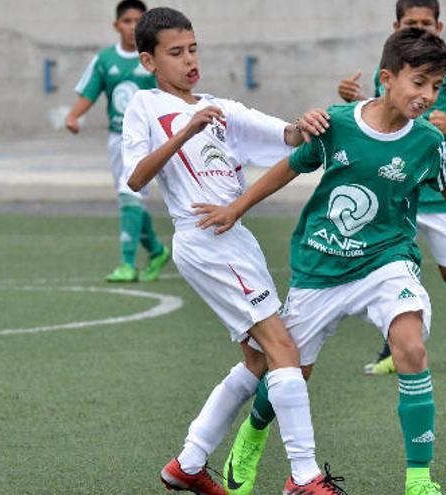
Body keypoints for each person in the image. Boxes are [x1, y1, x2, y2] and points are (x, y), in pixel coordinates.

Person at [197, 27, 446, 495]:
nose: (428, 95)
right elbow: (289, 166)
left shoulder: (426, 141)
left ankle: (419, 478)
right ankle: (253, 433)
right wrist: (237, 208)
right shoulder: (336, 123)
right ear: (387, 78)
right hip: (321, 268)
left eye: (437, 87)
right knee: (289, 373)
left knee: (411, 347)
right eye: (419, 82)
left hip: (388, 260)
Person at [122, 8, 346, 494]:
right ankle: (305, 478)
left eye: (194, 49)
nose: (189, 60)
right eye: (176, 53)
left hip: (234, 239)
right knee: (283, 348)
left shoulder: (221, 108)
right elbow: (136, 178)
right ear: (149, 61)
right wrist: (185, 131)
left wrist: (309, 119)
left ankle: (189, 462)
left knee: (261, 359)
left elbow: (289, 136)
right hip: (204, 237)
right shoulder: (145, 106)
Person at [338, 0, 446, 375]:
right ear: (395, 26)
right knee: (393, 268)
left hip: (442, 193)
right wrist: (351, 100)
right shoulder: (395, 69)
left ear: (439, 28)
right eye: (410, 23)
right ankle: (394, 349)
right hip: (396, 190)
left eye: (426, 23)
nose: (420, 29)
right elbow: (377, 116)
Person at [65, 0, 169, 283]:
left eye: (139, 20)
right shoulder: (105, 60)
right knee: (131, 200)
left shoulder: (154, 58)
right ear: (116, 25)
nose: (133, 27)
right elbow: (89, 93)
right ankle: (158, 251)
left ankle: (127, 264)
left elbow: (169, 94)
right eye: (127, 21)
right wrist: (74, 116)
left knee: (129, 196)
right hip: (117, 140)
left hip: (146, 140)